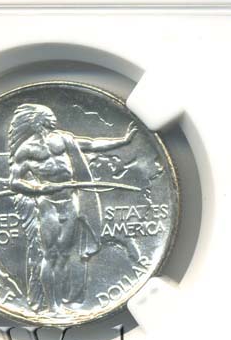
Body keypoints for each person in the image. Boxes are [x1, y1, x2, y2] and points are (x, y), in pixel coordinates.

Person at [8, 103, 136, 314]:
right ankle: (52, 306)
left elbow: (92, 144)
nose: (54, 118)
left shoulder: (64, 139)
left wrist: (123, 141)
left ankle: (60, 303)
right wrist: (40, 188)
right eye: (49, 115)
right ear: (37, 120)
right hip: (47, 204)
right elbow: (15, 182)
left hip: (70, 201)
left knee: (64, 255)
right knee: (50, 255)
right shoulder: (26, 150)